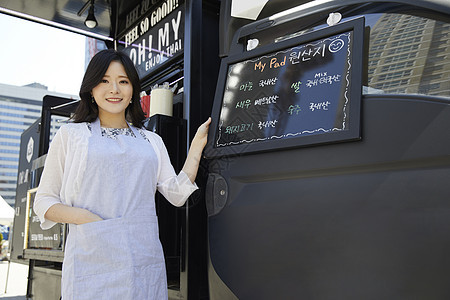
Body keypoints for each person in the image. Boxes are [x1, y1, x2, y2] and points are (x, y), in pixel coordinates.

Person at [33, 49, 211, 299]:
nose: (114, 89)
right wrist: (87, 219)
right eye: (104, 81)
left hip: (143, 261)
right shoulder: (71, 135)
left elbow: (177, 193)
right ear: (91, 89)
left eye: (123, 81)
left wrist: (196, 148)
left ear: (133, 92)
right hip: (92, 258)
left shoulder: (152, 140)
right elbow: (44, 201)